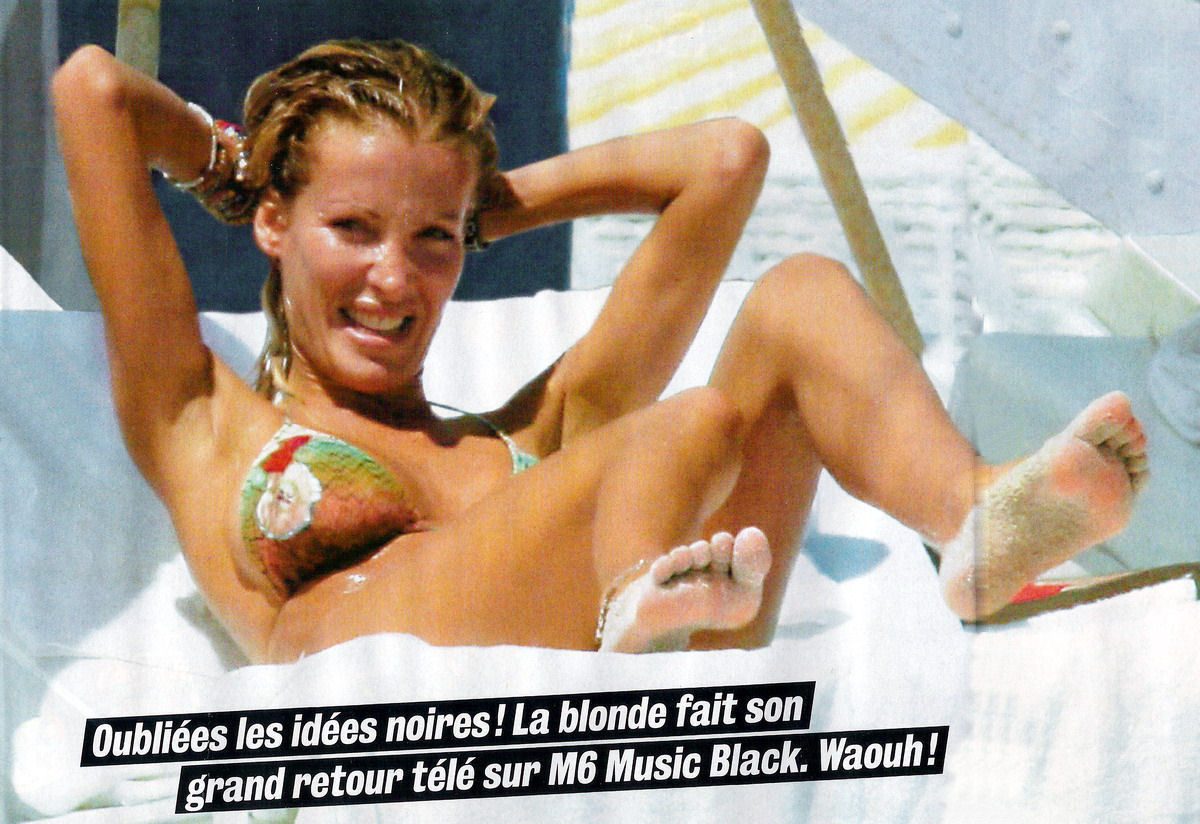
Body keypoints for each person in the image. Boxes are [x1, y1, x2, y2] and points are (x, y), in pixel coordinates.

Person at [51, 39, 1147, 664]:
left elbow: (725, 159)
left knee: (800, 294)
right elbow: (92, 89)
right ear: (275, 224)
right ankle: (637, 610)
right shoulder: (202, 420)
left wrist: (477, 201)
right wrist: (241, 165)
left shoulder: (533, 433)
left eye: (432, 241)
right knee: (684, 426)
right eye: (352, 228)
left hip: (678, 624)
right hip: (379, 672)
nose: (394, 278)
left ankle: (971, 514)